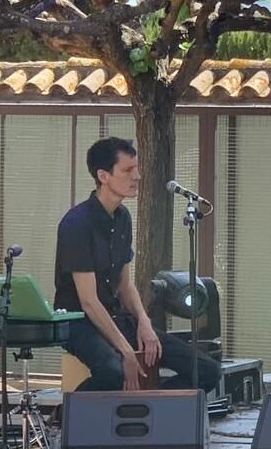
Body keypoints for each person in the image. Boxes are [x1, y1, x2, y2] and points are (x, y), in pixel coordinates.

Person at [55, 137, 221, 393]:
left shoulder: (123, 218)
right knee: (112, 371)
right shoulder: (77, 223)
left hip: (116, 316)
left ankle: (151, 408)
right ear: (103, 176)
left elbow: (124, 284)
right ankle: (68, 418)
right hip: (79, 322)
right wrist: (125, 349)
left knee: (207, 371)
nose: (137, 176)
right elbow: (88, 301)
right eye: (127, 170)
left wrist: (144, 322)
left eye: (137, 169)